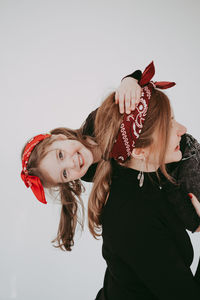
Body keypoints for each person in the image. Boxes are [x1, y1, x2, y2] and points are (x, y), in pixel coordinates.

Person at [20, 63, 200, 253]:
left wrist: (129, 82)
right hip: (164, 179)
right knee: (193, 221)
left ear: (59, 138)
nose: (72, 164)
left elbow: (130, 102)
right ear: (68, 181)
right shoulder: (91, 174)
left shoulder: (95, 122)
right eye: (65, 173)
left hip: (178, 150)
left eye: (60, 155)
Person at [87, 61, 200, 299]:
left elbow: (112, 125)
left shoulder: (141, 169)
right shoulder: (133, 218)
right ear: (138, 151)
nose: (183, 128)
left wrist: (129, 80)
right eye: (169, 124)